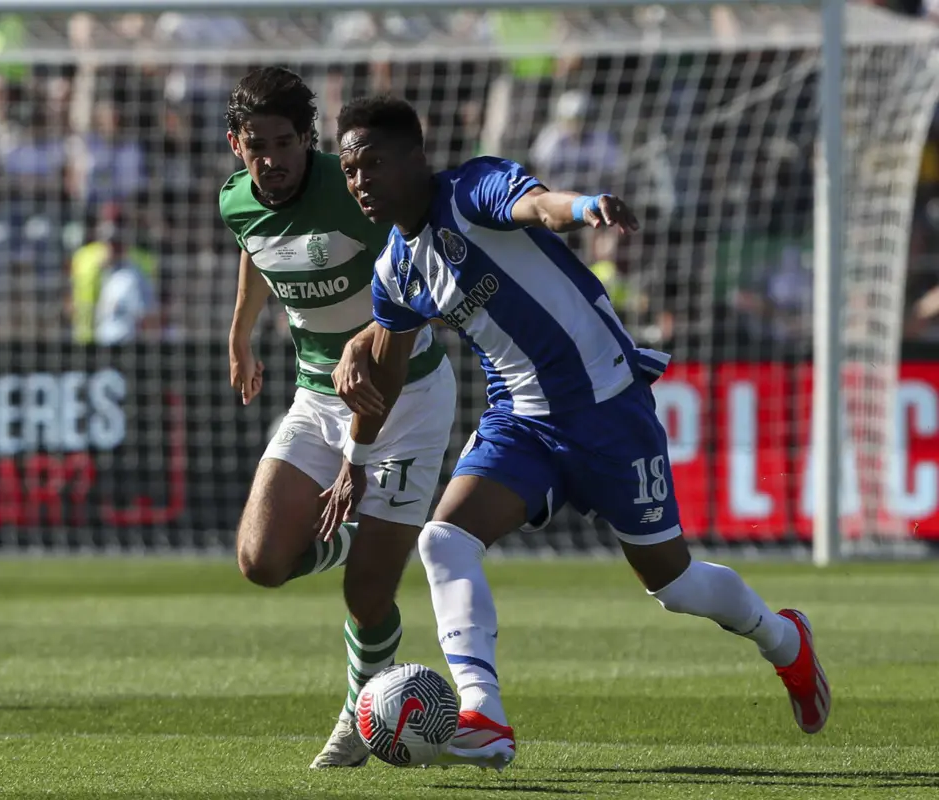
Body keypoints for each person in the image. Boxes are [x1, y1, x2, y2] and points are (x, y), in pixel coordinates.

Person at [319, 96, 830, 771]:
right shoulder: (395, 270)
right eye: (351, 170)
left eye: (373, 164)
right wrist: (354, 458)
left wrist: (586, 206)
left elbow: (536, 205)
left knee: (672, 584)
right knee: (445, 540)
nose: (360, 182)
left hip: (607, 408)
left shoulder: (470, 191)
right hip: (521, 422)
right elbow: (382, 368)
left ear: (417, 157)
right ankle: (484, 714)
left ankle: (783, 639)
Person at [218, 68, 457, 769]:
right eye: (257, 144)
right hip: (318, 395)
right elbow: (256, 250)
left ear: (308, 141)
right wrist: (240, 335)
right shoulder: (237, 200)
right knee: (261, 563)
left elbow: (416, 284)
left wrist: (358, 458)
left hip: (403, 393)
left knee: (366, 594)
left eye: (286, 143)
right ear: (236, 144)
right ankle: (364, 536)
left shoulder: (356, 190)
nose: (273, 158)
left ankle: (359, 716)